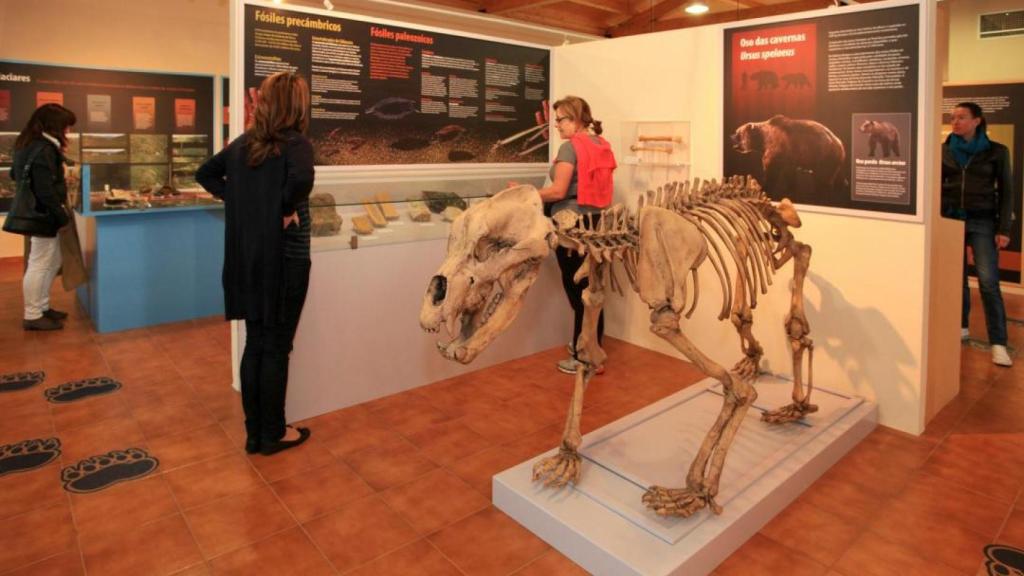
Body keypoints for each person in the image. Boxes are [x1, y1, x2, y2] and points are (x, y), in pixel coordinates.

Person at [196, 72, 316, 455]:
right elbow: (302, 181)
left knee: (257, 343)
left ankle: (255, 433)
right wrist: (279, 208)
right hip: (285, 257)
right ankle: (273, 434)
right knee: (277, 346)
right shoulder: (296, 143)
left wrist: (242, 200)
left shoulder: (244, 144)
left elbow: (206, 174)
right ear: (294, 104)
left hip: (249, 258)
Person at [535, 95, 617, 374]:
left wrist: (525, 192)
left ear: (577, 119)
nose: (556, 124)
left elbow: (558, 191)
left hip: (572, 227)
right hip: (597, 224)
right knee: (591, 290)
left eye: (561, 119)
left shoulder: (571, 148)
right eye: (556, 119)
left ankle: (585, 357)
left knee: (578, 291)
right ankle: (589, 345)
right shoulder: (600, 144)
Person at [941, 101, 1015, 367]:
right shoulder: (943, 151)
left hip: (983, 222)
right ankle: (960, 327)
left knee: (988, 282)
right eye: (953, 117)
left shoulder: (996, 152)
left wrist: (1004, 229)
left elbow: (1007, 192)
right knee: (955, 280)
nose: (955, 122)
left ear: (977, 121)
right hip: (949, 220)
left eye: (961, 117)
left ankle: (998, 343)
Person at [7, 104, 76, 331]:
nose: (67, 130)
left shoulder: (27, 144)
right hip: (43, 216)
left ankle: (43, 306)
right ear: (54, 125)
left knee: (52, 261)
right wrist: (62, 215)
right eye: (66, 126)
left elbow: (14, 174)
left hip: (41, 214)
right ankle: (33, 314)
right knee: (39, 264)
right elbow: (45, 191)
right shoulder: (44, 148)